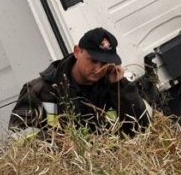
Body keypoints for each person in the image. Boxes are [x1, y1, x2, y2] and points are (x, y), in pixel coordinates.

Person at [9, 27, 152, 138]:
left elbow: (142, 127)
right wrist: (55, 141)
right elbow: (18, 135)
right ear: (77, 52)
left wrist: (120, 87)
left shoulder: (115, 86)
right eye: (93, 60)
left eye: (105, 63)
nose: (98, 69)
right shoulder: (40, 90)